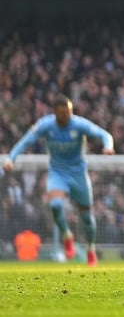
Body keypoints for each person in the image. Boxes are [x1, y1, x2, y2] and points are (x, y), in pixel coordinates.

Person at [3, 95, 115, 267]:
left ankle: (91, 249)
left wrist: (108, 146)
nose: (67, 115)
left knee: (86, 217)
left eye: (69, 112)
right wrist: (11, 158)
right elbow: (25, 141)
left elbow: (104, 134)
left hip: (78, 174)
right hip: (58, 173)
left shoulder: (78, 124)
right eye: (63, 113)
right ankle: (66, 235)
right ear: (55, 113)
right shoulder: (46, 125)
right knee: (55, 205)